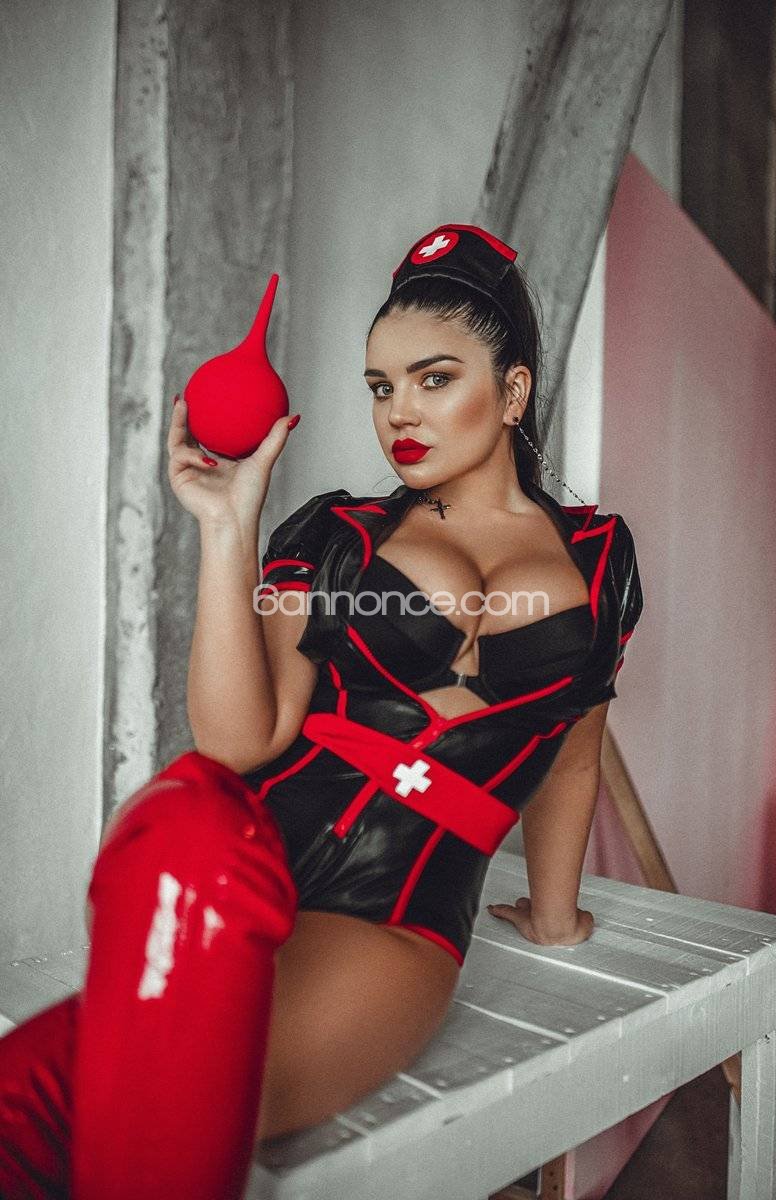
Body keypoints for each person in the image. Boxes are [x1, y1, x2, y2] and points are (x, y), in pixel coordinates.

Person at [0, 224, 643, 1198]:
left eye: (433, 379)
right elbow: (238, 741)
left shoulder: (599, 560)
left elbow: (574, 754)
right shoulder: (335, 533)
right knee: (184, 813)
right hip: (231, 856)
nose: (399, 413)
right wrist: (229, 527)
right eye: (381, 387)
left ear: (512, 392)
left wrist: (554, 917)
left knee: (111, 1103)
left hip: (387, 914)